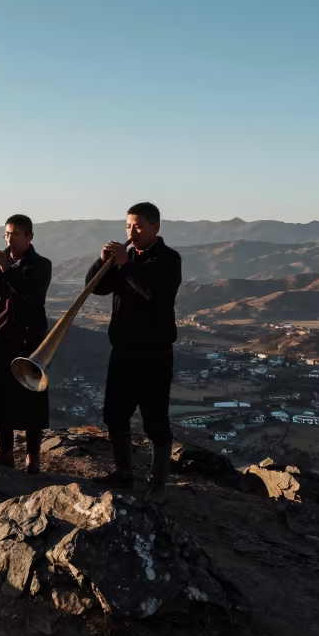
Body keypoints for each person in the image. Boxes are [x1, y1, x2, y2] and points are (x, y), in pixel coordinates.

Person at [86, 202, 182, 502]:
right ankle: (124, 473)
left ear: (156, 227)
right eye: (128, 226)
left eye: (138, 226)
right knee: (114, 415)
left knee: (155, 419)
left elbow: (153, 292)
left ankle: (158, 483)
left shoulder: (168, 259)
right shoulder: (124, 260)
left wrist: (125, 263)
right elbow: (95, 288)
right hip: (123, 350)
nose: (131, 232)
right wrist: (101, 262)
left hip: (154, 354)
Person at [0, 214, 53, 473]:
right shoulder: (0, 265)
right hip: (1, 337)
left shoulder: (40, 264)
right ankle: (5, 453)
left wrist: (7, 269)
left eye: (15, 234)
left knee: (31, 397)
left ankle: (33, 457)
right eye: (6, 234)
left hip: (29, 340)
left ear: (29, 237)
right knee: (0, 396)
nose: (9, 239)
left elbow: (32, 293)